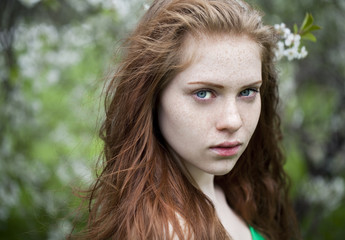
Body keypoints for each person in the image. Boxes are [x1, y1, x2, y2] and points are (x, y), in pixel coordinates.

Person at [72, 0, 301, 239]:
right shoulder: (168, 232)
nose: (233, 121)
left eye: (247, 92)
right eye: (203, 93)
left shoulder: (234, 194)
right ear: (152, 97)